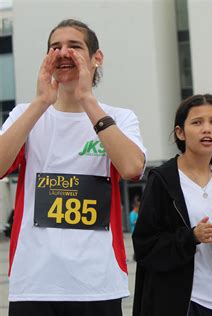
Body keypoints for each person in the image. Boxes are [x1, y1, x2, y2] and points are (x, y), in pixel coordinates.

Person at [0, 19, 147, 316]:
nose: (63, 53)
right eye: (56, 47)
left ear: (96, 58)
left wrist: (87, 100)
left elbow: (133, 168)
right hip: (35, 283)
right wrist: (42, 102)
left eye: (74, 46)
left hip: (98, 283)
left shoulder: (120, 117)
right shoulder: (24, 114)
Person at [132, 94, 212, 316]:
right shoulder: (162, 179)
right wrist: (193, 237)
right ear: (180, 132)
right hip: (178, 303)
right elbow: (144, 245)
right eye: (197, 122)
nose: (207, 129)